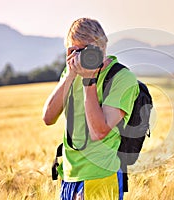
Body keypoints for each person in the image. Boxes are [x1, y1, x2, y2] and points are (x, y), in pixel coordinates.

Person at [42, 18, 139, 200]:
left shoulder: (122, 78)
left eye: (86, 50)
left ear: (102, 47)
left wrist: (89, 81)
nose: (80, 57)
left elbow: (98, 132)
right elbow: (48, 118)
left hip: (101, 175)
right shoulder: (72, 72)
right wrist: (70, 75)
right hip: (68, 176)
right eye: (75, 50)